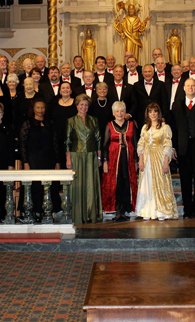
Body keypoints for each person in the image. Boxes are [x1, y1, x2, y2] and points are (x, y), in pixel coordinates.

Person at [171, 78, 195, 219]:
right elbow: (173, 129)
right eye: (188, 86)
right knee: (185, 180)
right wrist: (173, 147)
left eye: (193, 86)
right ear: (184, 88)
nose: (191, 88)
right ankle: (188, 210)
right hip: (182, 148)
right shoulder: (177, 105)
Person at [19, 100, 60, 222]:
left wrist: (57, 161)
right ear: (33, 109)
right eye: (38, 107)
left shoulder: (50, 123)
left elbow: (55, 143)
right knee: (34, 185)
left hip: (48, 158)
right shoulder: (28, 123)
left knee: (48, 185)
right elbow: (22, 144)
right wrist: (25, 162)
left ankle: (45, 212)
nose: (40, 110)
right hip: (33, 158)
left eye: (42, 107)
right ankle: (32, 212)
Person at [135, 103, 177, 220]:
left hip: (159, 158)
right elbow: (141, 144)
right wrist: (141, 160)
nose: (153, 114)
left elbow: (167, 146)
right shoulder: (145, 128)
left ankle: (161, 211)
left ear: (159, 113)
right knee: (147, 184)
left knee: (160, 184)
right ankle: (147, 211)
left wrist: (165, 163)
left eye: (155, 111)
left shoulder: (165, 127)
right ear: (147, 114)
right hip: (147, 158)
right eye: (150, 112)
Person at [65, 94, 102, 225]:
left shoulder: (94, 120)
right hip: (76, 155)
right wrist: (68, 159)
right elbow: (68, 141)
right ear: (77, 106)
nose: (84, 107)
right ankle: (78, 215)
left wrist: (98, 157)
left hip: (91, 156)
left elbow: (98, 140)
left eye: (86, 105)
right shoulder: (71, 121)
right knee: (78, 185)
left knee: (90, 184)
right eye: (81, 105)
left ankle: (91, 213)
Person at [101, 101, 139, 221]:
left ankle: (127, 209)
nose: (120, 113)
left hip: (128, 159)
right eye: (117, 111)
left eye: (122, 111)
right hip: (113, 160)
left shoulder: (132, 124)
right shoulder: (109, 125)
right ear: (113, 113)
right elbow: (105, 145)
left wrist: (137, 160)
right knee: (115, 183)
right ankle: (117, 209)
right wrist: (105, 161)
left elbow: (136, 143)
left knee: (127, 182)